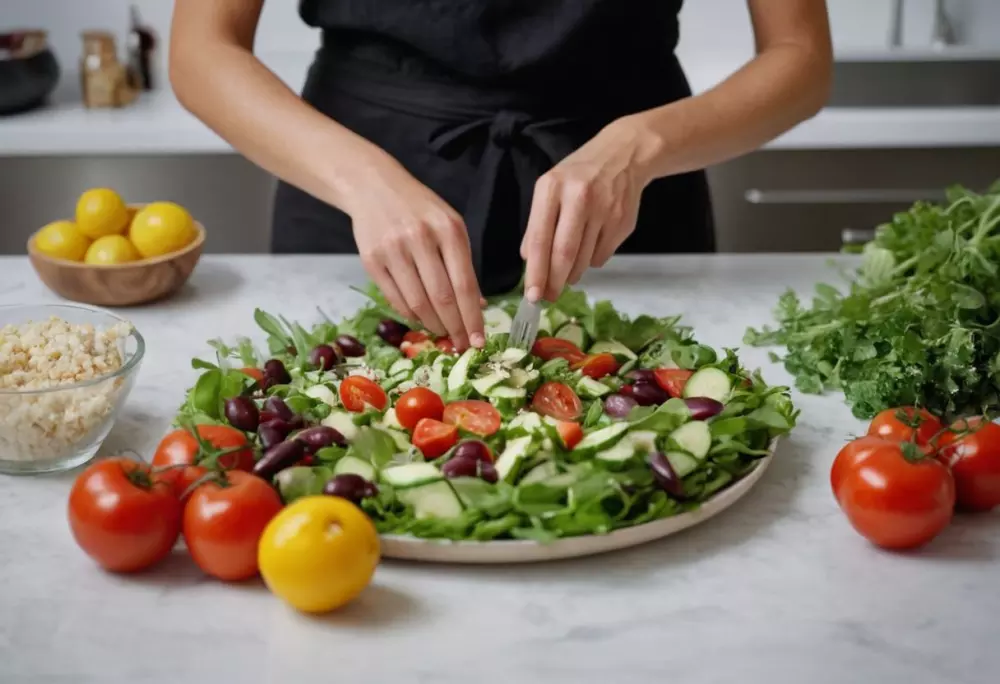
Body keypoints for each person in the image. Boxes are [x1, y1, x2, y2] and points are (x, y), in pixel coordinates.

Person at [170, 1, 832, 351]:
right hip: (351, 186)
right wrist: (362, 181)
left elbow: (800, 56)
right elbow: (201, 49)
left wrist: (640, 147)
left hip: (630, 193)